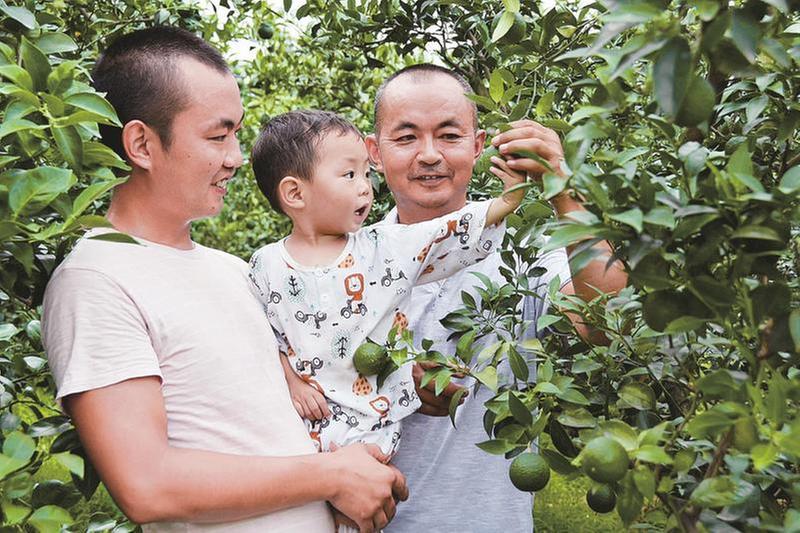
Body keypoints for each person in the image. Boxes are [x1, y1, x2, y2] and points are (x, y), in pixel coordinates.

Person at [41, 27, 405, 533]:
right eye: (218, 136)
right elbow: (147, 485)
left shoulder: (235, 271)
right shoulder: (96, 279)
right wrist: (331, 475)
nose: (235, 156)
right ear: (142, 144)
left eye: (236, 134)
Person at [365, 65, 628, 532]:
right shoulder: (347, 264)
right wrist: (393, 386)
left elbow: (610, 327)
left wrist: (565, 191)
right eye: (406, 138)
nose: (430, 155)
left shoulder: (523, 256)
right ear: (374, 152)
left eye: (449, 135)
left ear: (478, 145)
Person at [248, 110, 524, 459]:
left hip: (372, 429)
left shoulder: (380, 247)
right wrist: (293, 382)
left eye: (366, 173)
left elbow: (445, 232)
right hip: (301, 428)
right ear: (295, 193)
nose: (365, 186)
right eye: (349, 175)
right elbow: (264, 338)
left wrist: (507, 201)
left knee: (365, 485)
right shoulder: (266, 265)